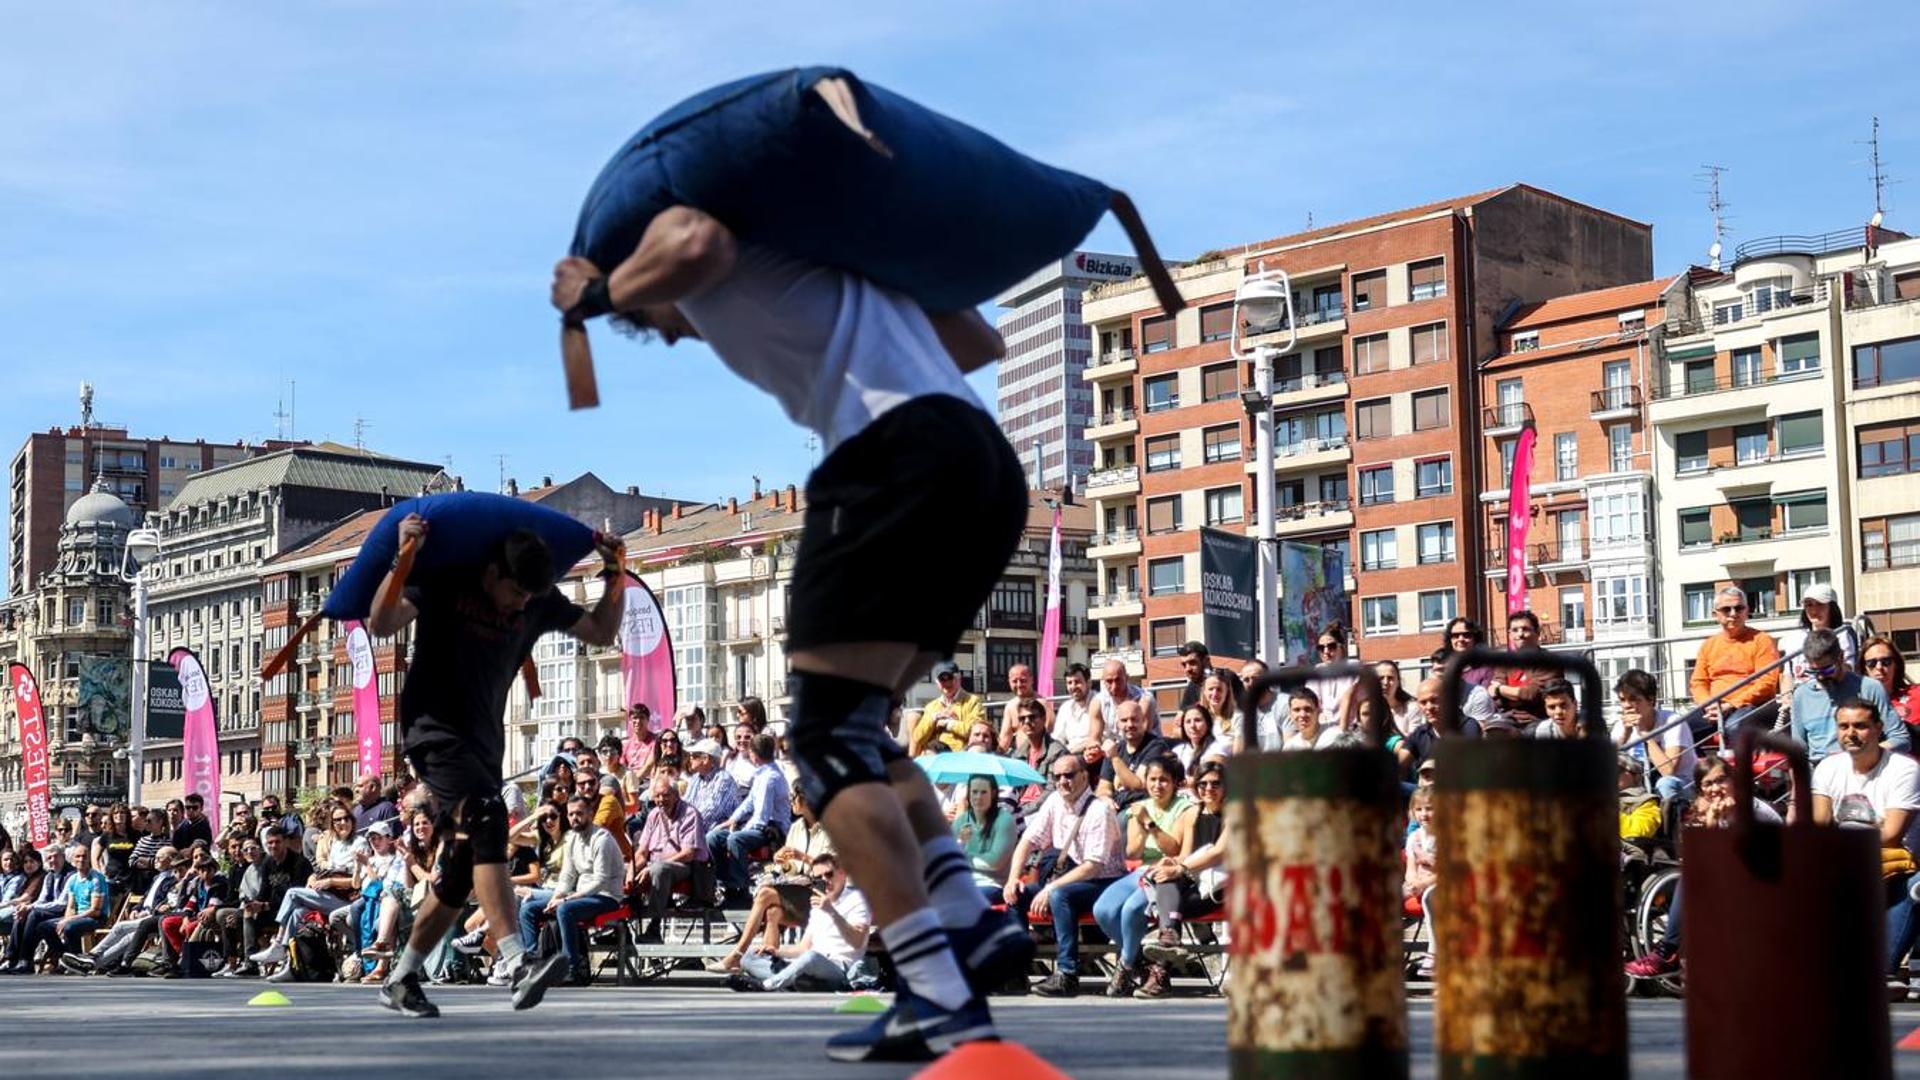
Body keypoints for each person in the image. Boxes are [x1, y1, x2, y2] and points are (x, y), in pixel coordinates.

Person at [553, 202, 1039, 1060]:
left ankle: (938, 984)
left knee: (817, 739)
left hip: (893, 463)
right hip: (986, 471)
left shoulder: (709, 243)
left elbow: (693, 242)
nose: (666, 334)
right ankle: (968, 920)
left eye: (655, 320)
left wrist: (599, 292)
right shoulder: (830, 266)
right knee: (857, 728)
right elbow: (979, 345)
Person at [363, 511, 625, 1018]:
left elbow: (599, 631)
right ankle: (517, 961)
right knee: (487, 816)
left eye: (530, 597)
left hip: (485, 743)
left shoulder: (537, 599)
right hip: (432, 731)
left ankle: (401, 979)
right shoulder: (447, 583)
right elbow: (380, 622)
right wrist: (404, 559)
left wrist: (615, 575)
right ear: (491, 574)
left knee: (461, 872)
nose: (521, 606)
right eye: (514, 594)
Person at [1625, 756, 1783, 979]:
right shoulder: (1709, 811)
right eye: (1708, 784)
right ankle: (1671, 952)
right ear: (1701, 789)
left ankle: (1668, 951)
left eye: (1721, 780)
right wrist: (1711, 822)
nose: (1716, 788)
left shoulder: (1753, 810)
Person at [1810, 699, 1920, 996]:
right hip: (1846, 866)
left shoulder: (1904, 769)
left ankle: (1883, 971)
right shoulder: (1828, 767)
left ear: (1878, 729)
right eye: (1844, 726)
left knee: (1918, 887)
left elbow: (1892, 834)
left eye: (1860, 726)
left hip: (1897, 870)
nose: (1851, 733)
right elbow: (1819, 827)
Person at [1003, 754, 1126, 997]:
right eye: (1057, 776)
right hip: (1070, 877)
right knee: (1016, 896)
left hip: (1103, 882)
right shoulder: (1054, 802)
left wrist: (1049, 888)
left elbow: (1093, 866)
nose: (1062, 781)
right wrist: (1012, 879)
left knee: (1061, 895)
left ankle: (1067, 974)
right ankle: (1016, 972)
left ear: (1084, 776)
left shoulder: (1099, 810)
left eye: (1069, 775)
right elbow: (1027, 841)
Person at [1092, 756, 1195, 997]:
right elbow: (1133, 852)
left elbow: (1174, 850)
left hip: (1166, 873)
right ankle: (1137, 959)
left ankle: (1126, 967)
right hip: (1141, 870)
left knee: (1130, 910)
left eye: (1164, 780)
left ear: (1175, 783)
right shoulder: (1140, 807)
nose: (1157, 785)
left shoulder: (1185, 809)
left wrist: (1149, 823)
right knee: (1103, 910)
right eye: (1152, 780)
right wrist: (1137, 824)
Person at [1137, 759, 1230, 997]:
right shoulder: (1193, 814)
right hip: (1195, 881)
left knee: (1170, 901)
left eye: (1215, 784)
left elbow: (1218, 853)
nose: (1208, 789)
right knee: (1165, 878)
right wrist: (1173, 863)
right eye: (1203, 784)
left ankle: (1160, 972)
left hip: (1221, 888)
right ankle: (1169, 940)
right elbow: (1187, 855)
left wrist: (1179, 868)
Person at [516, 796, 624, 987]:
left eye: (579, 813)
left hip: (606, 897)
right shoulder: (573, 838)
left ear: (590, 814)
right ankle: (533, 964)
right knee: (528, 909)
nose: (575, 818)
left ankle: (571, 968)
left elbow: (601, 880)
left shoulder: (602, 839)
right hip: (580, 895)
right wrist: (557, 896)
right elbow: (567, 874)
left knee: (565, 910)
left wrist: (568, 899)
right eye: (571, 814)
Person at [730, 853, 872, 993]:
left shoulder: (857, 899)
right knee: (749, 956)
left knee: (811, 957)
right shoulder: (818, 905)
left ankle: (768, 985)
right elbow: (803, 948)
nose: (824, 881)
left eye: (829, 875)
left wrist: (832, 912)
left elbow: (857, 941)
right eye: (818, 879)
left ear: (842, 873)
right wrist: (776, 952)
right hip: (808, 966)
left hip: (840, 968)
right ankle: (793, 982)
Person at [707, 732, 793, 907]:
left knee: (735, 839)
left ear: (754, 753)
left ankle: (741, 889)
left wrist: (740, 829)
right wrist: (732, 820)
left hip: (773, 830)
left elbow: (762, 817)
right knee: (713, 837)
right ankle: (727, 886)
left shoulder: (770, 778)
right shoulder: (761, 774)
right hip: (760, 826)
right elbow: (749, 802)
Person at [215, 826, 311, 978]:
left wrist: (265, 905)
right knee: (241, 915)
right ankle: (249, 962)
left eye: (277, 842)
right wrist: (253, 905)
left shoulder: (299, 863)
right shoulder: (268, 863)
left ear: (285, 842)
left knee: (253, 916)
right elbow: (263, 893)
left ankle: (273, 953)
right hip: (271, 909)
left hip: (293, 910)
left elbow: (296, 896)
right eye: (270, 843)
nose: (273, 846)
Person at [1790, 629, 1900, 759]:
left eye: (1827, 670)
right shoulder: (1801, 695)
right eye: (1813, 671)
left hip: (1862, 769)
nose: (1820, 677)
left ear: (1841, 657)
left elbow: (1899, 739)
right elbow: (1797, 750)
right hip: (1819, 770)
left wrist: (1857, 755)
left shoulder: (1869, 688)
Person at [1689, 585, 1782, 738]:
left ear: (1747, 611)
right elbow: (1698, 682)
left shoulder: (1762, 640)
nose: (1733, 614)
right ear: (1715, 614)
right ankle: (1702, 763)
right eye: (1726, 609)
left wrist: (1731, 705)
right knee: (1677, 730)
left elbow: (1767, 682)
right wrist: (1708, 705)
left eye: (1739, 608)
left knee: (1733, 726)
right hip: (1715, 707)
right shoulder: (1709, 645)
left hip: (1752, 705)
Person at [629, 773, 708, 940]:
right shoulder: (653, 815)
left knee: (659, 869)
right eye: (657, 795)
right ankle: (622, 922)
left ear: (676, 795)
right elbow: (642, 851)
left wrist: (650, 869)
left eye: (666, 795)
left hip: (683, 866)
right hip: (655, 863)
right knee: (622, 869)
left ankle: (654, 926)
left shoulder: (690, 814)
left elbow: (688, 853)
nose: (661, 800)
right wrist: (631, 869)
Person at [1612, 669, 1697, 803]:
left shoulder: (1672, 721)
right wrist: (1624, 737)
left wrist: (1645, 734)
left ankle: (1670, 823)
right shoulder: (1619, 727)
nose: (1627, 705)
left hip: (1682, 785)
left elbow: (1668, 771)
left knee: (1665, 784)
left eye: (1634, 699)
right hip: (1642, 785)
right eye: (1622, 700)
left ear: (1651, 700)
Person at [2, 846, 72, 973]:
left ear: (63, 857)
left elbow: (62, 904)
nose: (52, 860)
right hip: (48, 911)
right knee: (22, 914)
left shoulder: (70, 875)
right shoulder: (49, 876)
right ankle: (12, 959)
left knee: (33, 914)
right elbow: (42, 899)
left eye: (56, 856)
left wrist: (31, 906)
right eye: (49, 858)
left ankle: (25, 960)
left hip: (65, 912)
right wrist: (28, 907)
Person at [1097, 698, 1173, 813]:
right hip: (1116, 807)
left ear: (1143, 721)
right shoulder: (1116, 748)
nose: (1130, 724)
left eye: (1134, 719)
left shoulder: (1155, 746)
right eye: (1124, 720)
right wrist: (1105, 798)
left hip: (1142, 807)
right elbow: (1103, 786)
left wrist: (1115, 758)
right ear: (1117, 724)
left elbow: (1139, 784)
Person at [1777, 583, 1859, 689]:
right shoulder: (1794, 638)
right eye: (1809, 605)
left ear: (1832, 607)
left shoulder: (1842, 635)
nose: (1814, 611)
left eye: (1820, 604)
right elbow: (1787, 675)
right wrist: (1787, 701)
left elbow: (1848, 669)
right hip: (1801, 693)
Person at [953, 777, 1016, 907]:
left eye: (983, 792)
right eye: (974, 792)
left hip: (992, 884)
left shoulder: (1004, 821)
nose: (978, 797)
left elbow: (995, 862)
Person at [911, 660, 990, 757]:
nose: (946, 683)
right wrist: (934, 718)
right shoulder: (931, 707)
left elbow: (975, 732)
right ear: (937, 682)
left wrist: (948, 723)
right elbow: (918, 738)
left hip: (962, 754)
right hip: (936, 754)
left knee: (977, 749)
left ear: (959, 678)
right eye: (942, 680)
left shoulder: (973, 702)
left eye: (950, 678)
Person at [683, 737, 744, 837]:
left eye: (693, 756)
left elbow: (711, 811)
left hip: (722, 830)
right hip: (699, 827)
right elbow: (686, 802)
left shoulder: (723, 778)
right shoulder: (696, 778)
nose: (690, 759)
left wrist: (686, 823)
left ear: (705, 759)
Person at [1863, 637, 1920, 743]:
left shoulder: (1917, 694)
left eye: (1886, 661)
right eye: (1871, 663)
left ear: (1896, 665)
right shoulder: (1857, 703)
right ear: (1864, 668)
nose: (1879, 667)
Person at [1052, 663, 1104, 762]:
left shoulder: (1100, 702)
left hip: (1093, 756)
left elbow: (1102, 737)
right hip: (1068, 757)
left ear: (1089, 683)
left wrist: (1074, 750)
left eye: (1077, 682)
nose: (1073, 686)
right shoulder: (1065, 707)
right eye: (1069, 683)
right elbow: (1058, 738)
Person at [994, 663, 1050, 753]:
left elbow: (1049, 733)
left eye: (1023, 680)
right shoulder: (1010, 706)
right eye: (1014, 681)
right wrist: (996, 756)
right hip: (1021, 758)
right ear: (1009, 682)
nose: (1019, 685)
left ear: (1032, 680)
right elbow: (1005, 738)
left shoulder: (1043, 704)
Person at [1282, 687, 1355, 750]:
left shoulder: (1335, 737)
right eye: (1297, 710)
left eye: (1308, 709)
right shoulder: (1290, 747)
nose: (1302, 715)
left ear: (1318, 711)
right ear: (1290, 714)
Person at [1172, 705, 1230, 775]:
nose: (1192, 725)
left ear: (1208, 723)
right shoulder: (1177, 751)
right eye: (1188, 722)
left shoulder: (1218, 748)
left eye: (1197, 720)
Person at [1373, 660, 1424, 737]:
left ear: (1398, 682)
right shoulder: (1367, 709)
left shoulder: (1411, 708)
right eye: (1381, 678)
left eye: (1390, 678)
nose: (1385, 682)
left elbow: (1413, 741)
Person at [1198, 671, 1240, 749]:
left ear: (1227, 692)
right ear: (1204, 692)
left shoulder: (1237, 718)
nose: (1215, 693)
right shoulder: (1196, 718)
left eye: (1219, 689)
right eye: (1211, 689)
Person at [1175, 641, 1212, 711]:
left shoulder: (1226, 679)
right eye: (1184, 665)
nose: (1187, 669)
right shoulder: (1191, 687)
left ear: (1206, 661)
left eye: (1192, 663)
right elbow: (1181, 716)